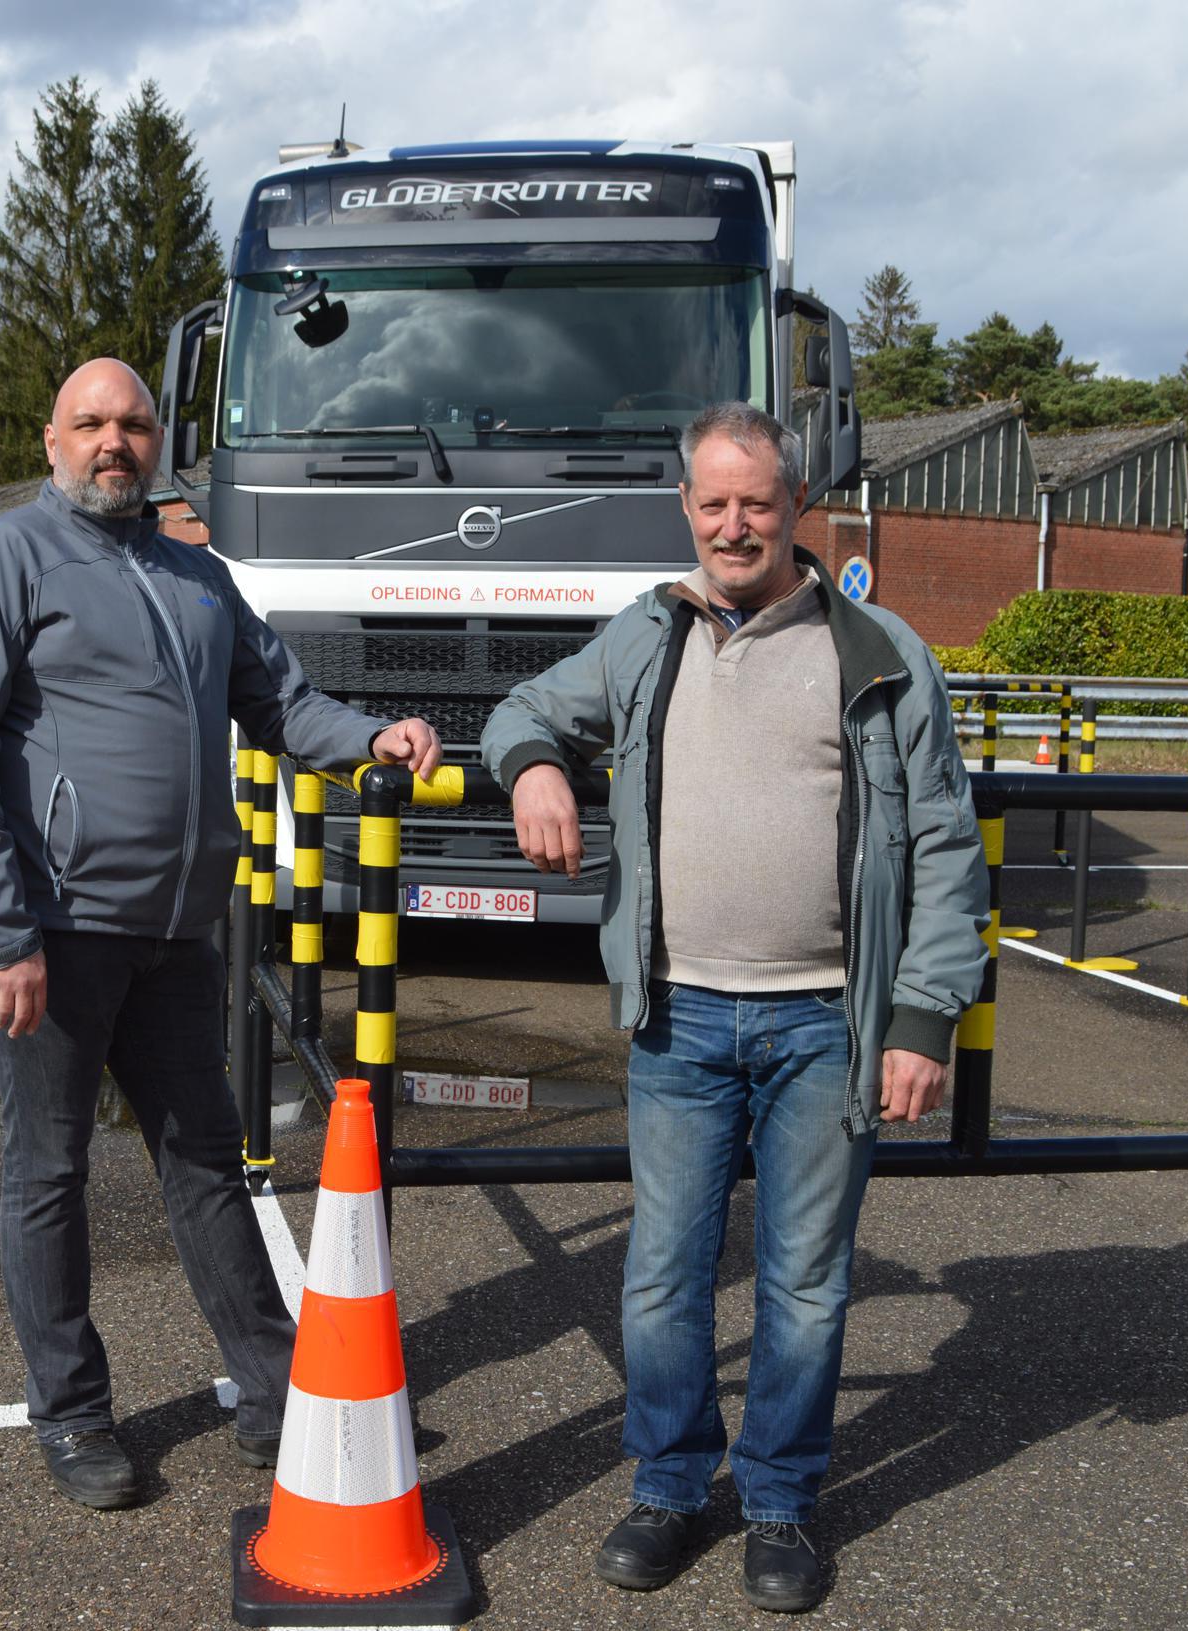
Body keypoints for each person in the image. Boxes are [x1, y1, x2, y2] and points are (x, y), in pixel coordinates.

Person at [0, 358, 442, 1511]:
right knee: (46, 1169)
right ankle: (73, 1413)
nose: (114, 441)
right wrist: (2, 930)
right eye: (90, 422)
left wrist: (372, 739)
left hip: (176, 931)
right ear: (51, 440)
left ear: (157, 442)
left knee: (207, 1157)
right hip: (50, 929)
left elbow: (286, 702)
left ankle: (275, 1391)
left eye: (133, 423)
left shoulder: (197, 575)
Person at [481, 401, 987, 1612]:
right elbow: (517, 710)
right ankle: (666, 1486)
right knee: (660, 1274)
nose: (731, 522)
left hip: (828, 1023)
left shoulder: (878, 652)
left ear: (795, 508)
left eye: (753, 500)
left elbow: (943, 844)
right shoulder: (644, 638)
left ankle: (777, 1502)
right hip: (678, 1017)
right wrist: (536, 766)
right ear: (686, 510)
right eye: (710, 502)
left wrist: (921, 1018)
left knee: (805, 1281)